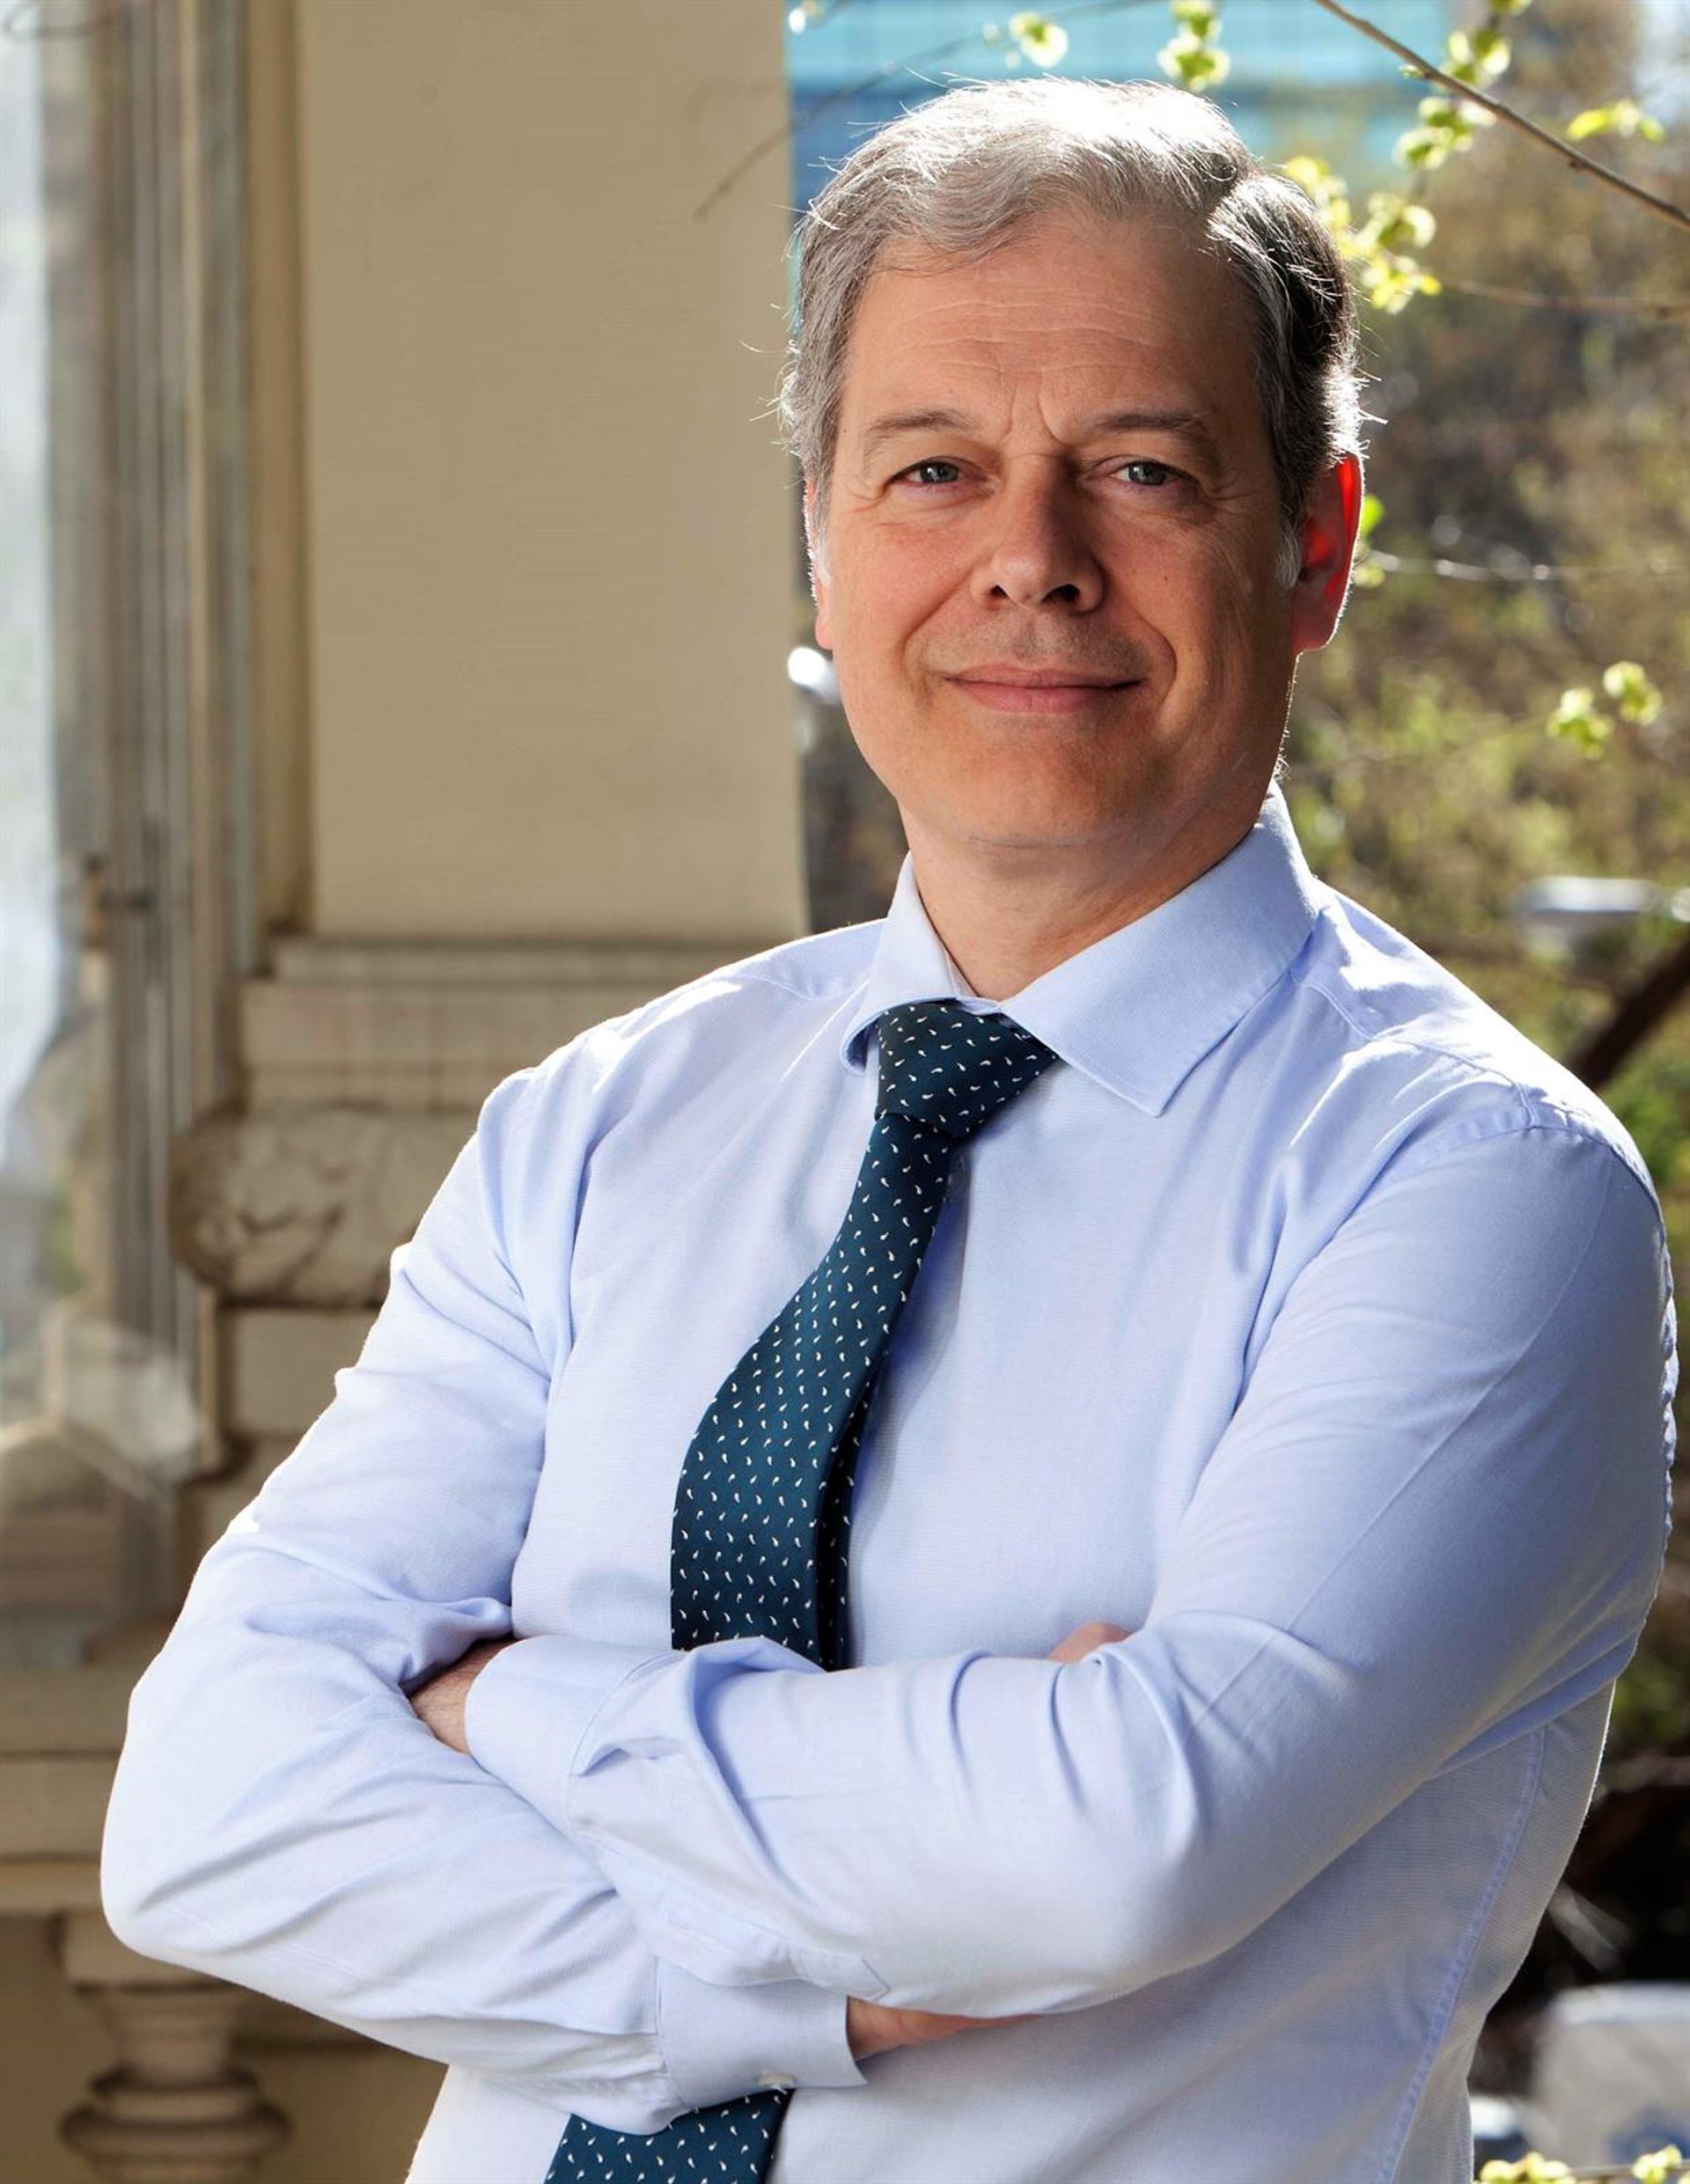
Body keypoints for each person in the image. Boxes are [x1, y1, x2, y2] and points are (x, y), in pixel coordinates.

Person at [100, 75, 1675, 2184]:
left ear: (1315, 547)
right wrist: (802, 1981)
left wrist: (502, 1702)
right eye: (936, 468)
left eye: (1141, 468)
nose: (1031, 560)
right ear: (823, 545)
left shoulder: (1477, 1186)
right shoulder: (603, 1127)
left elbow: (1123, 1841)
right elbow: (206, 1812)